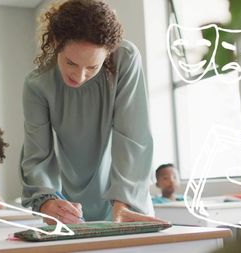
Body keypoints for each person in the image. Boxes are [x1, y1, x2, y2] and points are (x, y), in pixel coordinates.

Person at [20, 0, 164, 224]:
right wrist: (48, 203)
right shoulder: (37, 85)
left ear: (107, 55)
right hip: (69, 209)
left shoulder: (124, 59)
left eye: (92, 67)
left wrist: (123, 205)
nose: (79, 76)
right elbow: (37, 157)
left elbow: (133, 137)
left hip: (125, 203)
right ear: (57, 43)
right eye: (71, 63)